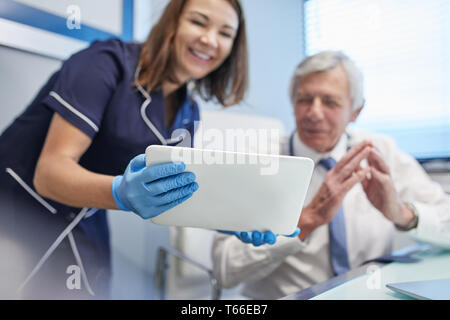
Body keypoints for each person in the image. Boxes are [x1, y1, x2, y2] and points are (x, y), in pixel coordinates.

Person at [0, 0, 250, 299]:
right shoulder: (104, 63)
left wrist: (235, 218)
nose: (210, 40)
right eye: (198, 22)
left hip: (85, 213)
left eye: (225, 33)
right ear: (172, 23)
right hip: (17, 205)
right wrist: (121, 193)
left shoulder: (188, 111)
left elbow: (179, 193)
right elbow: (50, 172)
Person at [211, 51, 450, 299]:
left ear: (356, 111)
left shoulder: (381, 151)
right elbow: (225, 270)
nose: (314, 113)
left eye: (330, 102)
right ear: (293, 103)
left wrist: (402, 213)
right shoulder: (257, 160)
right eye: (304, 99)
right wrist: (307, 220)